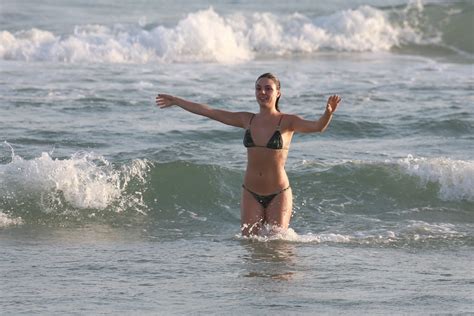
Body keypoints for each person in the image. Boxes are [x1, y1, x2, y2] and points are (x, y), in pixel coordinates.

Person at [156, 73, 341, 236]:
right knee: (251, 246)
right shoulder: (247, 119)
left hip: (279, 192)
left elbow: (317, 127)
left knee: (277, 246)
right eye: (258, 88)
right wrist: (177, 101)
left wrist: (328, 114)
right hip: (250, 192)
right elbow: (210, 112)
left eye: (268, 88)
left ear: (278, 93)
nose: (262, 92)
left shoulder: (287, 122)